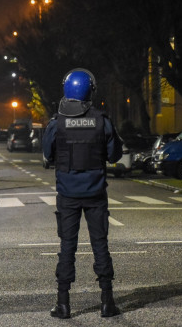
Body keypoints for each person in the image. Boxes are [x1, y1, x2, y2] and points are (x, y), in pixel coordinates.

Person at [42, 68, 123, 319]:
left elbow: (47, 154)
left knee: (67, 246)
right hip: (96, 193)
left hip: (67, 194)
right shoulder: (102, 121)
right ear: (90, 91)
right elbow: (115, 155)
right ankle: (107, 302)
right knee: (100, 244)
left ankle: (63, 304)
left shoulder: (56, 124)